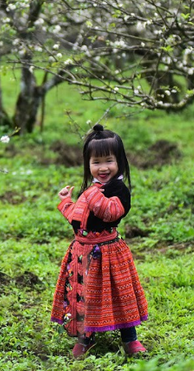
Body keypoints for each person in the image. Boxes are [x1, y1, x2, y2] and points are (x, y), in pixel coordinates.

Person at [51, 124, 148, 358]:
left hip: (109, 252)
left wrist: (93, 194)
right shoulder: (92, 189)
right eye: (96, 163)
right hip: (82, 253)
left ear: (119, 162)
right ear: (88, 164)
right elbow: (79, 220)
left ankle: (130, 339)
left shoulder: (118, 189)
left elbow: (111, 212)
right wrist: (66, 203)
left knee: (119, 295)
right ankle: (86, 338)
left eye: (108, 161)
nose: (102, 168)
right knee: (84, 296)